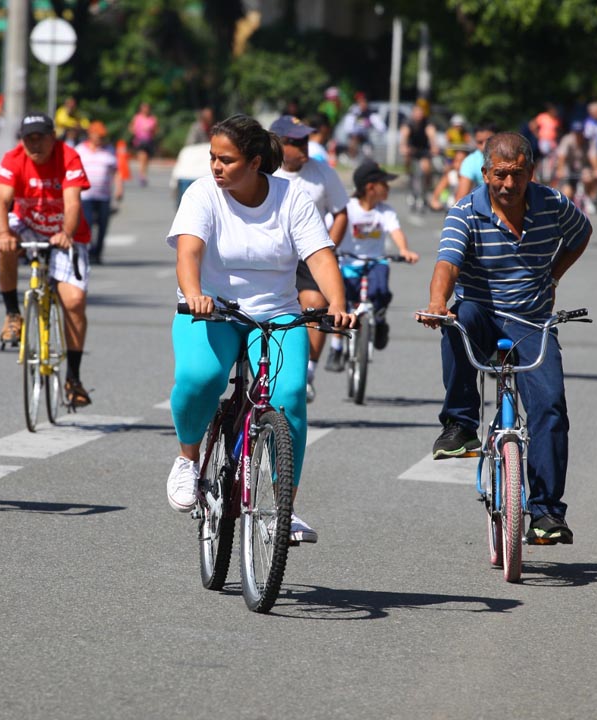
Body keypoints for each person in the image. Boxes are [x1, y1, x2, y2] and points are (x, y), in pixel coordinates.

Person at [165, 114, 356, 544]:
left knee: (289, 398)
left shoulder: (293, 198)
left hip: (276, 313)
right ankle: (188, 459)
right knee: (201, 378)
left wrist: (338, 304)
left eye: (226, 160)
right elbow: (188, 254)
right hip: (210, 310)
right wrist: (195, 293)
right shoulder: (202, 195)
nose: (215, 166)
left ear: (254, 162)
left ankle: (282, 508)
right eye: (213, 157)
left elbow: (321, 256)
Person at [418, 132, 591, 544]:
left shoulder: (552, 204)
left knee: (550, 408)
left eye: (517, 175)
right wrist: (437, 302)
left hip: (532, 321)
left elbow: (581, 234)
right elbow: (448, 263)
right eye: (500, 175)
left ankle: (546, 513)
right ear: (485, 173)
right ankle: (460, 426)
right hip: (482, 315)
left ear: (531, 172)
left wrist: (553, 276)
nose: (508, 185)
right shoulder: (465, 211)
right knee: (460, 315)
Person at [0, 112, 94, 408]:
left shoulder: (69, 157)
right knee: (4, 247)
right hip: (28, 224)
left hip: (66, 231)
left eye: (40, 137)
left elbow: (73, 202)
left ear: (53, 137)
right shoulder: (13, 159)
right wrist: (2, 233)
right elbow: (1, 202)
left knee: (74, 301)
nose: (34, 144)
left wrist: (65, 232)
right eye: (28, 138)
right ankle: (13, 314)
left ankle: (73, 378)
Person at [268, 115, 349, 401]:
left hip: (310, 253)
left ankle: (309, 371)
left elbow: (340, 213)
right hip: (272, 255)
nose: (304, 146)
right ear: (277, 143)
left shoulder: (323, 172)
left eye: (305, 140)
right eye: (295, 141)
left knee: (316, 306)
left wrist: (328, 248)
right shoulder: (264, 172)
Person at [335, 159, 419, 349]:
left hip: (376, 261)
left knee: (380, 292)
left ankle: (379, 322)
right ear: (371, 187)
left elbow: (395, 231)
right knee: (342, 299)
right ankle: (336, 346)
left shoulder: (385, 211)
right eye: (384, 184)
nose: (388, 188)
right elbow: (334, 231)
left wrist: (403, 250)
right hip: (349, 262)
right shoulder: (348, 208)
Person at [75, 120, 124, 264]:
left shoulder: (109, 150)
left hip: (104, 195)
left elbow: (116, 172)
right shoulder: (80, 150)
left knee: (103, 224)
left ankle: (98, 253)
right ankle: (87, 251)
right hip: (85, 195)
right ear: (91, 135)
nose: (101, 139)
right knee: (87, 223)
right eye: (98, 136)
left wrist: (119, 188)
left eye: (103, 136)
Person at [399, 102, 438, 210]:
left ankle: (426, 190)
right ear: (413, 113)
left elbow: (431, 133)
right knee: (407, 158)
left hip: (424, 149)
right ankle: (408, 173)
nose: (418, 115)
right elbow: (404, 134)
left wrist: (434, 145)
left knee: (426, 169)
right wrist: (403, 146)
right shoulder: (408, 122)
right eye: (416, 112)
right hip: (412, 148)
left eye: (420, 112)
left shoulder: (427, 122)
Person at [556, 120, 597, 209]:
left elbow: (593, 156)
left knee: (588, 177)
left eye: (580, 132)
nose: (578, 135)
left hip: (583, 167)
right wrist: (560, 170)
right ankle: (567, 207)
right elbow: (562, 156)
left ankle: (588, 198)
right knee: (567, 191)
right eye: (576, 133)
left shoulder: (588, 141)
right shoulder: (567, 140)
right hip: (569, 168)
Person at [453, 122, 496, 202]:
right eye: (480, 142)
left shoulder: (510, 157)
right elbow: (460, 199)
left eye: (489, 141)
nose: (484, 146)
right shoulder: (470, 162)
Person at [128, 102, 158, 186]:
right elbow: (131, 127)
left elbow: (156, 130)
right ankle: (142, 175)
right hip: (139, 141)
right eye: (144, 108)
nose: (146, 110)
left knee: (147, 159)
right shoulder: (137, 117)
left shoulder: (152, 118)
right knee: (142, 157)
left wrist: (151, 132)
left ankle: (143, 173)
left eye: (147, 108)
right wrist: (135, 131)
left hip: (149, 141)